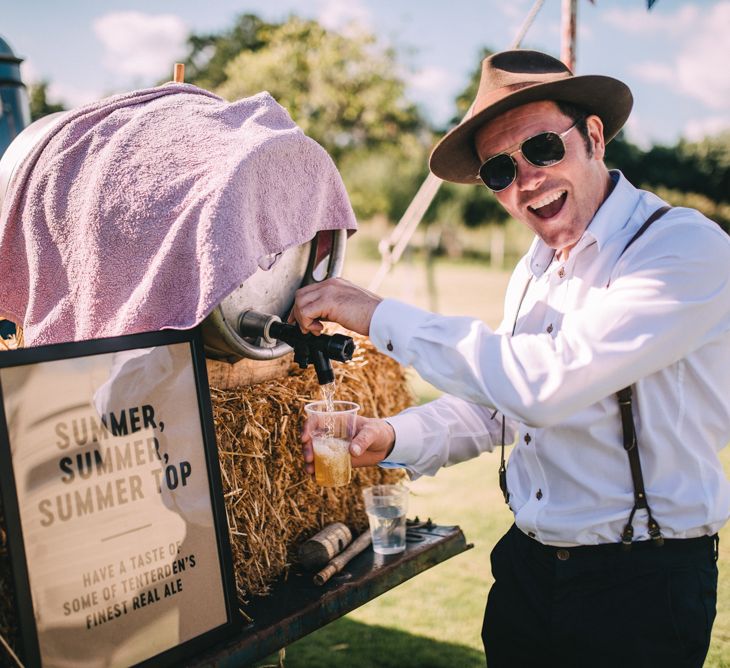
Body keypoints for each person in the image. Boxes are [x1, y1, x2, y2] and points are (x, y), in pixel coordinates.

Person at [291, 50, 730, 667]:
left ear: (594, 137)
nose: (526, 179)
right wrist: (391, 435)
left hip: (640, 586)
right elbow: (500, 409)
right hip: (529, 569)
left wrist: (375, 313)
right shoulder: (534, 268)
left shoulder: (682, 248)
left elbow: (542, 385)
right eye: (500, 169)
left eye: (544, 149)